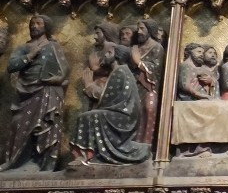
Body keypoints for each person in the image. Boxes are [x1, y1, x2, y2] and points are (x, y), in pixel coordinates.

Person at [1, 15, 69, 171]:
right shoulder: (23, 48)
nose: (34, 26)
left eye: (38, 23)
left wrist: (58, 79)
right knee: (18, 124)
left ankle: (42, 164)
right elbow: (11, 66)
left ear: (46, 27)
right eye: (32, 24)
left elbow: (65, 68)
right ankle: (15, 163)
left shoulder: (53, 46)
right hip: (26, 93)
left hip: (48, 91)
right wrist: (30, 56)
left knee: (45, 125)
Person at [71, 44, 151, 164]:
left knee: (85, 118)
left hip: (123, 117)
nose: (105, 55)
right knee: (88, 116)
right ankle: (88, 156)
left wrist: (89, 86)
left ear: (117, 56)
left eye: (109, 53)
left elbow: (106, 98)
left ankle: (86, 156)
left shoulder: (120, 71)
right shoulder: (119, 71)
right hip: (120, 113)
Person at [130, 18, 165, 143]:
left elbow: (156, 69)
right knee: (132, 113)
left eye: (142, 29)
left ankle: (145, 143)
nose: (139, 31)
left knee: (148, 110)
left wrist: (139, 63)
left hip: (148, 87)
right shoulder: (134, 48)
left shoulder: (157, 48)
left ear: (150, 30)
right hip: (132, 86)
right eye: (138, 28)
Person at [84, 22, 119, 107]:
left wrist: (96, 70)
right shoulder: (95, 54)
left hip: (106, 89)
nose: (95, 37)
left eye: (98, 33)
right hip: (96, 89)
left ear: (106, 33)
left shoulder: (112, 47)